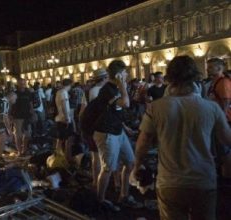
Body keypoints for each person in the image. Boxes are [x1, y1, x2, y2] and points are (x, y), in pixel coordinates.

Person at [134, 56, 231, 220]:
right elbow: (227, 140)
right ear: (195, 78)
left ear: (170, 78)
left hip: (170, 181)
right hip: (203, 179)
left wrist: (137, 166)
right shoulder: (211, 108)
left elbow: (143, 143)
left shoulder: (156, 108)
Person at [93, 60, 141, 211]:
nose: (127, 75)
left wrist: (125, 128)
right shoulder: (108, 90)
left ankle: (124, 195)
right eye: (125, 72)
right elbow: (125, 104)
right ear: (119, 75)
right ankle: (100, 200)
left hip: (118, 131)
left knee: (130, 162)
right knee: (108, 168)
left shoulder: (115, 88)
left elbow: (116, 112)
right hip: (107, 133)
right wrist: (123, 86)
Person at [10, 78, 34, 156]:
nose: (22, 85)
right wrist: (10, 115)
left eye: (23, 83)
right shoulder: (15, 93)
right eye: (21, 83)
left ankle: (25, 149)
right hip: (17, 116)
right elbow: (11, 105)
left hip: (27, 116)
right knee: (18, 134)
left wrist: (32, 112)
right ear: (18, 84)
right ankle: (20, 151)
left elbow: (31, 104)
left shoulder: (28, 92)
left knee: (27, 134)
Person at [54, 79, 75, 165]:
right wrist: (67, 118)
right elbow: (65, 106)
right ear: (69, 85)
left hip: (59, 118)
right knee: (68, 139)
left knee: (60, 139)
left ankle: (58, 155)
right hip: (64, 119)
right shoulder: (64, 93)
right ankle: (68, 157)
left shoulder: (59, 92)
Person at [207, 58, 231, 124]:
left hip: (226, 119)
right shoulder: (214, 82)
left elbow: (226, 101)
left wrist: (222, 118)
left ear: (219, 68)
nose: (207, 69)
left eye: (210, 67)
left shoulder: (223, 82)